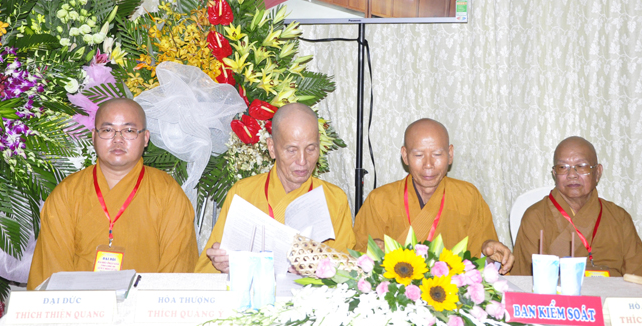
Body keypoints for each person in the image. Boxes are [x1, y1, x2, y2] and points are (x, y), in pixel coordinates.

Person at [27, 99, 198, 289]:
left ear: (145, 138)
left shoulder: (167, 192)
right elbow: (52, 272)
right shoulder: (67, 193)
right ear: (94, 136)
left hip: (145, 305)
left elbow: (177, 273)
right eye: (108, 130)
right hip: (81, 305)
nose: (118, 139)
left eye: (129, 130)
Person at [195, 103, 355, 273]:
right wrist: (223, 267)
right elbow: (206, 271)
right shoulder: (243, 193)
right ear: (272, 148)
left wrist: (313, 268)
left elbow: (348, 274)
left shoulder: (334, 199)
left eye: (311, 149)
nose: (302, 161)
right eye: (291, 150)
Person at [353, 119, 514, 274]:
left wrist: (491, 257)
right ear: (405, 155)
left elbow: (483, 261)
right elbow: (357, 258)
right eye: (418, 155)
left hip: (452, 290)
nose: (428, 164)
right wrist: (373, 251)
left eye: (437, 154)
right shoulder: (380, 200)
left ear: (450, 154)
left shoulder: (468, 197)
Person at [512, 137, 642, 277]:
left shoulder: (619, 218)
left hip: (613, 291)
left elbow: (639, 279)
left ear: (598, 172)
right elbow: (524, 280)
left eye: (582, 166)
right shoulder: (535, 217)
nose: (572, 175)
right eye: (562, 167)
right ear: (554, 174)